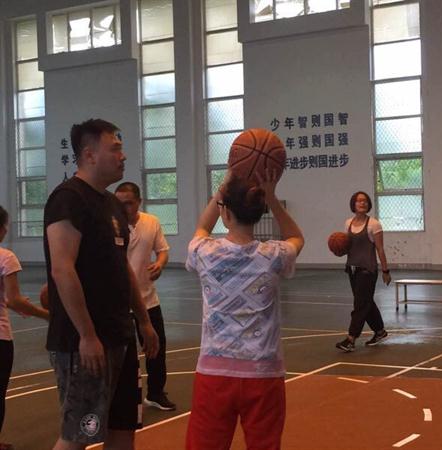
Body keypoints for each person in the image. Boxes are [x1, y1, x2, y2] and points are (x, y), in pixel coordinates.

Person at [43, 119, 159, 450]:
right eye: (115, 148)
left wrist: (144, 321)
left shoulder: (111, 204)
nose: (123, 156)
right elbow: (63, 270)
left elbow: (122, 268)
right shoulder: (68, 199)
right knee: (79, 435)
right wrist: (87, 335)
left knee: (123, 430)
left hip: (119, 335)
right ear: (90, 155)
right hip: (84, 344)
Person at [185, 169, 303, 450]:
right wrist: (272, 198)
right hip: (263, 373)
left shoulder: (204, 252)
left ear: (225, 213)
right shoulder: (274, 255)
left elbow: (201, 228)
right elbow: (296, 237)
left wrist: (222, 188)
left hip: (214, 373)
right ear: (260, 213)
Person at [114, 182, 175, 411]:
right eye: (118, 203)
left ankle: (156, 393)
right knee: (123, 356)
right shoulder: (109, 225)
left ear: (139, 202)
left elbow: (163, 250)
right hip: (119, 304)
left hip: (148, 300)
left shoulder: (151, 222)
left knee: (156, 348)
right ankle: (123, 399)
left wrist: (159, 264)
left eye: (128, 203)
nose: (123, 208)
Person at [0, 206, 49, 450]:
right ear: (3, 228)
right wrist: (48, 316)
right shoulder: (6, 257)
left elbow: (9, 300)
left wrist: (13, 304)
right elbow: (15, 299)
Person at [336, 191, 391, 352]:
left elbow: (380, 249)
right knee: (366, 302)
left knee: (360, 305)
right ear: (353, 204)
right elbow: (346, 246)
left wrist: (385, 270)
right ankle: (380, 331)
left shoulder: (374, 224)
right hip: (352, 269)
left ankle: (351, 339)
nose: (362, 203)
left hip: (368, 270)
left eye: (365, 201)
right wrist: (338, 249)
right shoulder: (348, 223)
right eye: (359, 201)